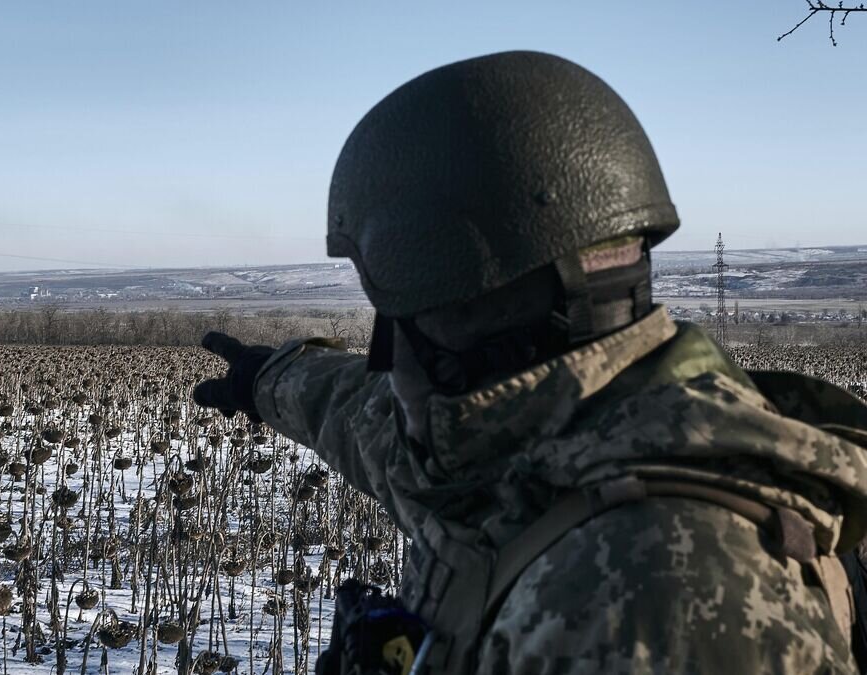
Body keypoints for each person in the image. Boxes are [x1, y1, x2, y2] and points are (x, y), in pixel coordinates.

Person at [193, 51, 867, 673]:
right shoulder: (523, 444)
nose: (389, 357)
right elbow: (365, 421)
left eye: (405, 312)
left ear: (473, 308)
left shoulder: (656, 596)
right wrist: (268, 379)